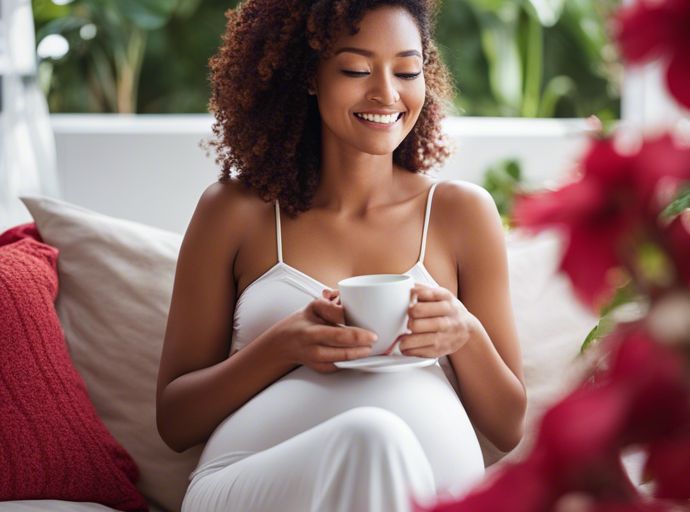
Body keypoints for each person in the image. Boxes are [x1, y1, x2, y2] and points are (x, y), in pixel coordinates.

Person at [156, 1, 526, 510]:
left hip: (430, 496)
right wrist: (281, 347)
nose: (386, 93)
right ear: (309, 76)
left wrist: (465, 333)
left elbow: (508, 427)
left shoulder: (462, 214)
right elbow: (175, 422)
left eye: (407, 70)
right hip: (250, 481)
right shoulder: (235, 213)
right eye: (356, 69)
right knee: (373, 438)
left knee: (378, 441)